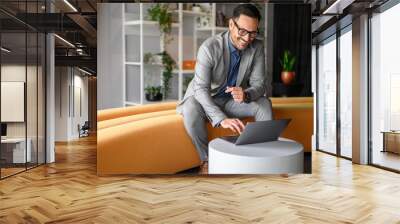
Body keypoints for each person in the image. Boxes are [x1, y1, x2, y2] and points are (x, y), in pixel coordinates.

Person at [176, 4, 273, 173]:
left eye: (253, 32)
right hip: (204, 99)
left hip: (232, 101)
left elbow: (259, 85)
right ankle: (206, 160)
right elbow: (200, 89)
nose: (247, 38)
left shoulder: (257, 47)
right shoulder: (209, 48)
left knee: (264, 103)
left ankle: (263, 159)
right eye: (242, 31)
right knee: (190, 108)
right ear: (231, 25)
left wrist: (246, 95)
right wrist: (222, 119)